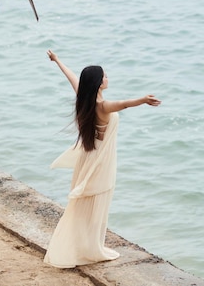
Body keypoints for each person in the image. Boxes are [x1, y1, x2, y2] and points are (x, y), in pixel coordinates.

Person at [43, 50, 161, 268]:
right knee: (99, 201)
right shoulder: (102, 106)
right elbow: (124, 104)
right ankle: (91, 247)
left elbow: (71, 77)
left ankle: (83, 244)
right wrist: (143, 99)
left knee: (85, 203)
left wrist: (58, 60)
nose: (108, 78)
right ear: (98, 83)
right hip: (101, 162)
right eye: (105, 76)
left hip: (88, 157)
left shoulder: (84, 99)